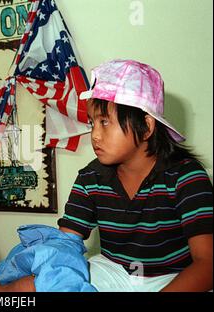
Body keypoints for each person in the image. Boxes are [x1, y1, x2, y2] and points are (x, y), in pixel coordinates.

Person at [58, 59, 213, 291]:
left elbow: (207, 263)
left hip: (174, 278)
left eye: (105, 122)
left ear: (147, 126)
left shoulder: (186, 176)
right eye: (92, 123)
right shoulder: (91, 177)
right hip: (112, 272)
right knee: (35, 284)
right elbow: (64, 246)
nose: (95, 135)